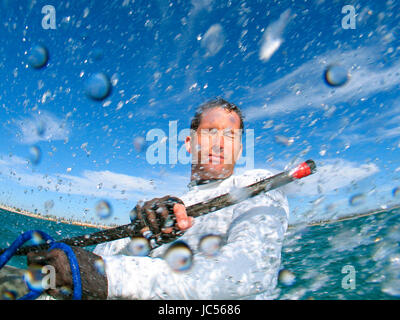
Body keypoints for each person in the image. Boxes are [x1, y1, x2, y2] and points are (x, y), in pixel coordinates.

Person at [27, 98, 290, 300]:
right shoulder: (170, 204)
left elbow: (250, 273)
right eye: (210, 132)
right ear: (189, 143)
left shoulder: (256, 185)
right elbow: (99, 257)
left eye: (231, 136)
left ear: (241, 148)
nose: (220, 143)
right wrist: (139, 240)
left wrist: (109, 276)